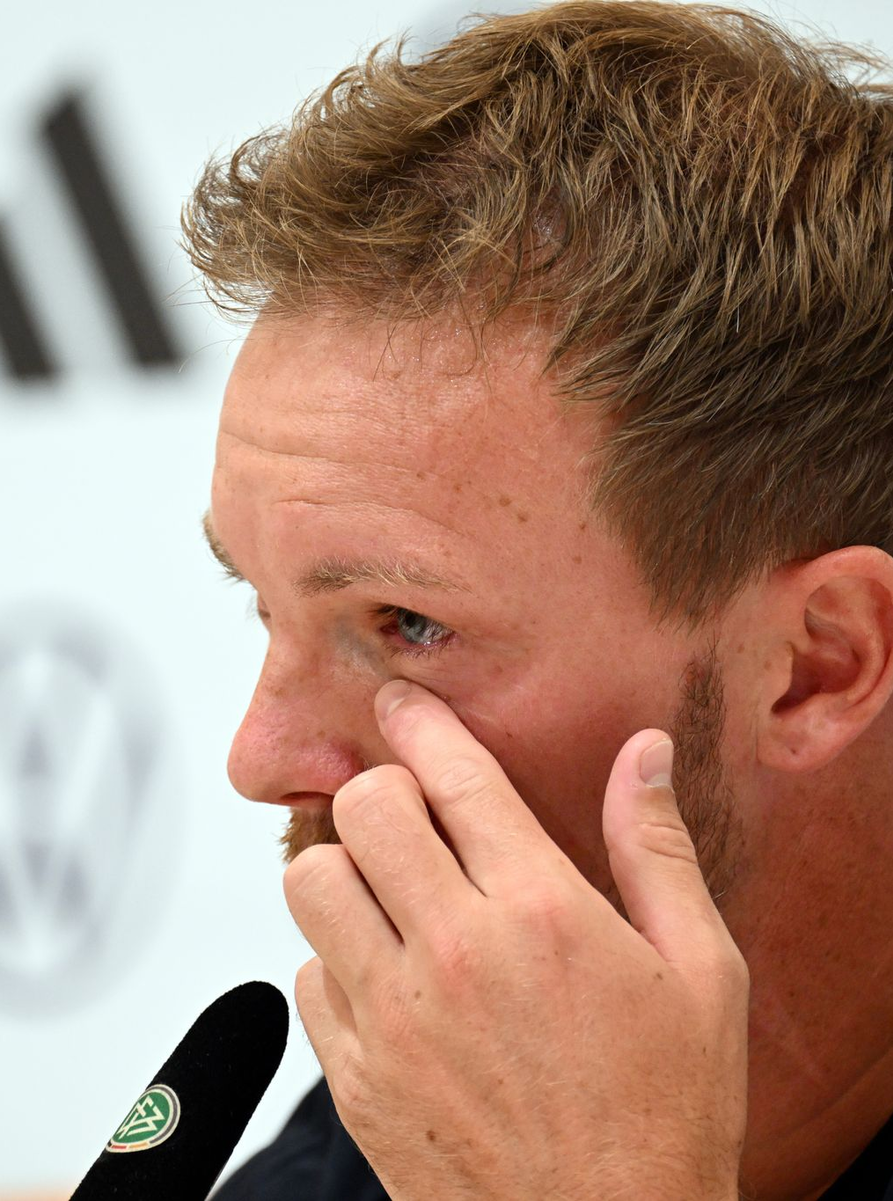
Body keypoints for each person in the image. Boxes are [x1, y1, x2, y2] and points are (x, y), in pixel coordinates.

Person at [184, 2, 893, 1197]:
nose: (260, 757)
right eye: (263, 606)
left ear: (819, 665)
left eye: (408, 627)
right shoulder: (370, 1157)